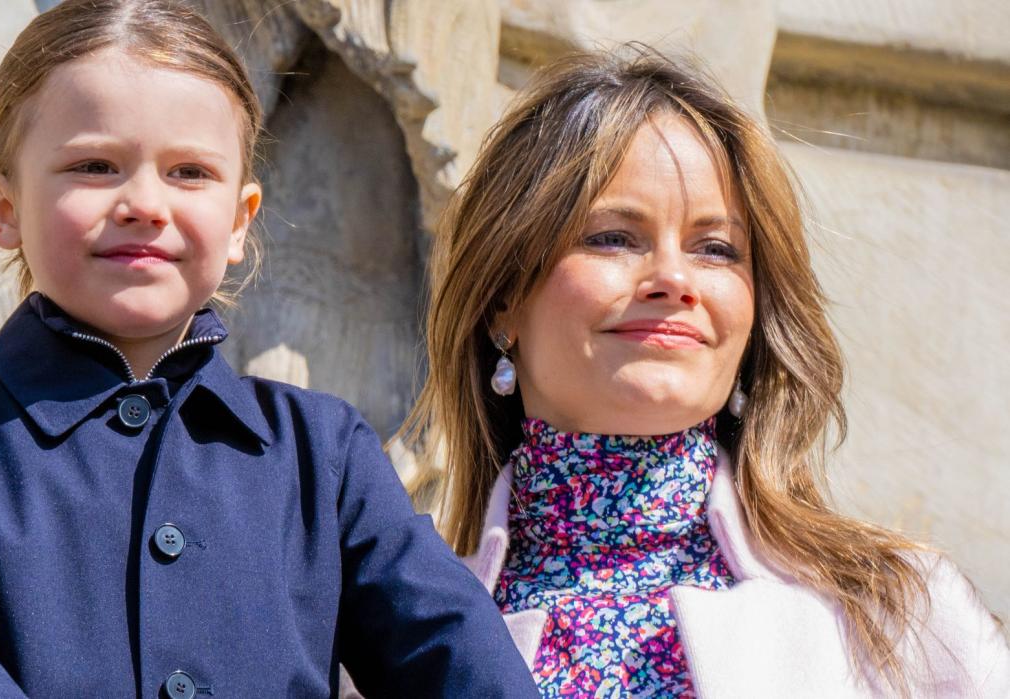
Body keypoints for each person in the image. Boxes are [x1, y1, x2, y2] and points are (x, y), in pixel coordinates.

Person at [0, 2, 539, 697]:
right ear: (4, 208)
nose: (144, 202)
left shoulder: (323, 452)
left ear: (240, 220)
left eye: (189, 173)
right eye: (94, 165)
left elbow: (456, 653)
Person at [400, 49, 1010, 697]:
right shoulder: (390, 639)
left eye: (715, 248)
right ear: (504, 301)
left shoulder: (903, 617)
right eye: (613, 236)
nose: (673, 279)